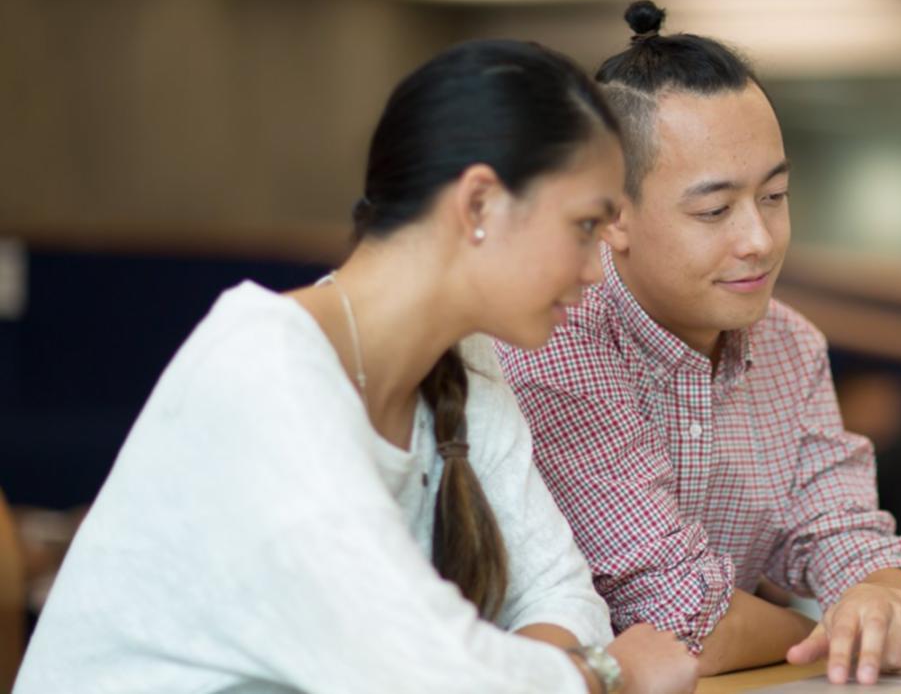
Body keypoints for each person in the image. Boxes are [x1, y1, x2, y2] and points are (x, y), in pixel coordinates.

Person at [15, 40, 696, 694]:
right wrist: (606, 675)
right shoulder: (261, 367)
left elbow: (558, 592)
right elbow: (412, 672)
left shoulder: (466, 357)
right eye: (584, 227)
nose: (591, 271)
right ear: (479, 203)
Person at [497, 2, 901, 686]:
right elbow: (681, 620)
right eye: (714, 210)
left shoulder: (790, 344)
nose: (758, 240)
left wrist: (881, 598)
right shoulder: (554, 341)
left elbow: (845, 530)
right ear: (611, 214)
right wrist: (823, 632)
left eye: (775, 196)